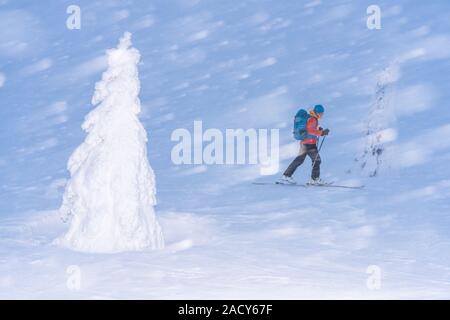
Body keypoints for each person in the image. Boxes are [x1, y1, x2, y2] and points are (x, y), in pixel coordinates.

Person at [278, 104, 330, 185]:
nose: (322, 115)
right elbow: (310, 130)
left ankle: (286, 176)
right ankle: (314, 179)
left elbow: (310, 129)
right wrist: (321, 133)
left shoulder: (311, 118)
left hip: (305, 143)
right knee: (317, 160)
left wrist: (319, 130)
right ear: (318, 113)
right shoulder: (313, 119)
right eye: (321, 113)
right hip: (309, 144)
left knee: (299, 160)